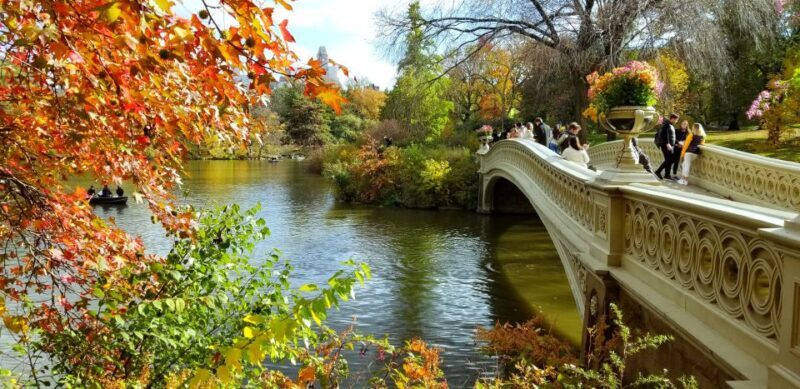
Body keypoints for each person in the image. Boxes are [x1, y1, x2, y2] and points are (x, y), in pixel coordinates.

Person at [654, 113, 679, 180]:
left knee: (670, 160)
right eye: (676, 120)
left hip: (670, 145)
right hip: (666, 145)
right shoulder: (666, 124)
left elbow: (671, 136)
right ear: (673, 119)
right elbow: (664, 134)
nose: (677, 121)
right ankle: (658, 171)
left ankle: (667, 175)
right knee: (669, 159)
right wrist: (667, 143)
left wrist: (676, 143)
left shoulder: (670, 124)